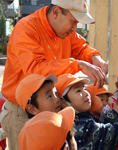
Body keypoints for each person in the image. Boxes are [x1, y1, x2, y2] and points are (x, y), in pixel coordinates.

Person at [0, 0, 108, 149]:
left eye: (77, 23)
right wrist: (78, 64)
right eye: (73, 21)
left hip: (52, 106)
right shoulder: (26, 28)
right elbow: (36, 70)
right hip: (22, 110)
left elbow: (81, 48)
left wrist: (95, 57)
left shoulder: (64, 31)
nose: (74, 28)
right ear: (56, 12)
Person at [55, 73, 118, 150]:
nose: (86, 93)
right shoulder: (82, 125)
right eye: (78, 90)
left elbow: (100, 131)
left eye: (84, 89)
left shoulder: (74, 121)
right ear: (63, 103)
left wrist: (113, 114)